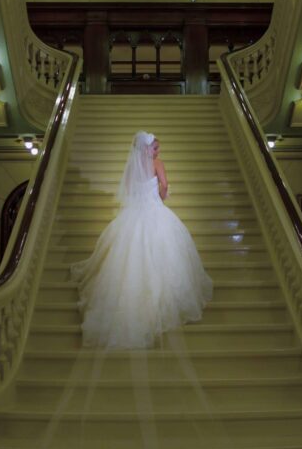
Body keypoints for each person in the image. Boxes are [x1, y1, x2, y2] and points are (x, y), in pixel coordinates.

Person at [71, 131, 212, 349]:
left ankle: (132, 308)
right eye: (155, 147)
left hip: (134, 214)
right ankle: (158, 309)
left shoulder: (130, 168)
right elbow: (164, 186)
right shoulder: (157, 164)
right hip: (155, 211)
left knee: (130, 260)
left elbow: (127, 192)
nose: (158, 151)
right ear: (147, 149)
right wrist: (160, 196)